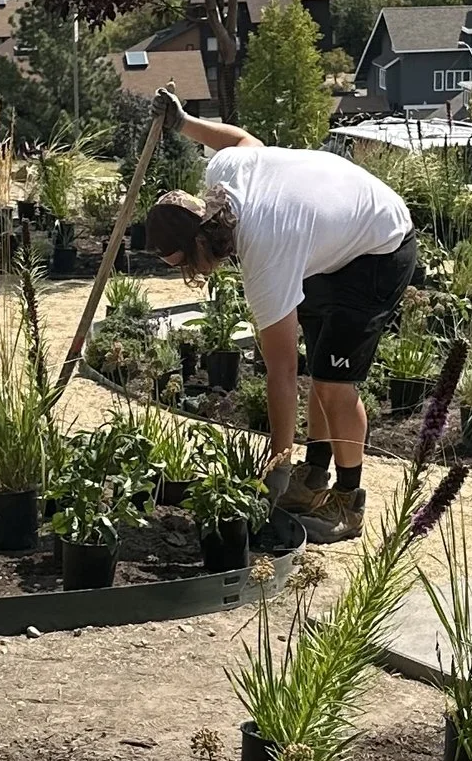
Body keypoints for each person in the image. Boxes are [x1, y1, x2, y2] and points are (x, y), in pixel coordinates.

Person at [142, 97, 417, 531]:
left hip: (379, 245)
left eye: (188, 265)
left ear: (203, 245)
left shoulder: (264, 253)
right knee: (322, 367)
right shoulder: (222, 176)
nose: (193, 274)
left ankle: (348, 502)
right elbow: (241, 139)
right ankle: (313, 474)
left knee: (333, 383)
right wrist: (185, 122)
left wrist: (275, 466)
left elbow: (280, 373)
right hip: (331, 245)